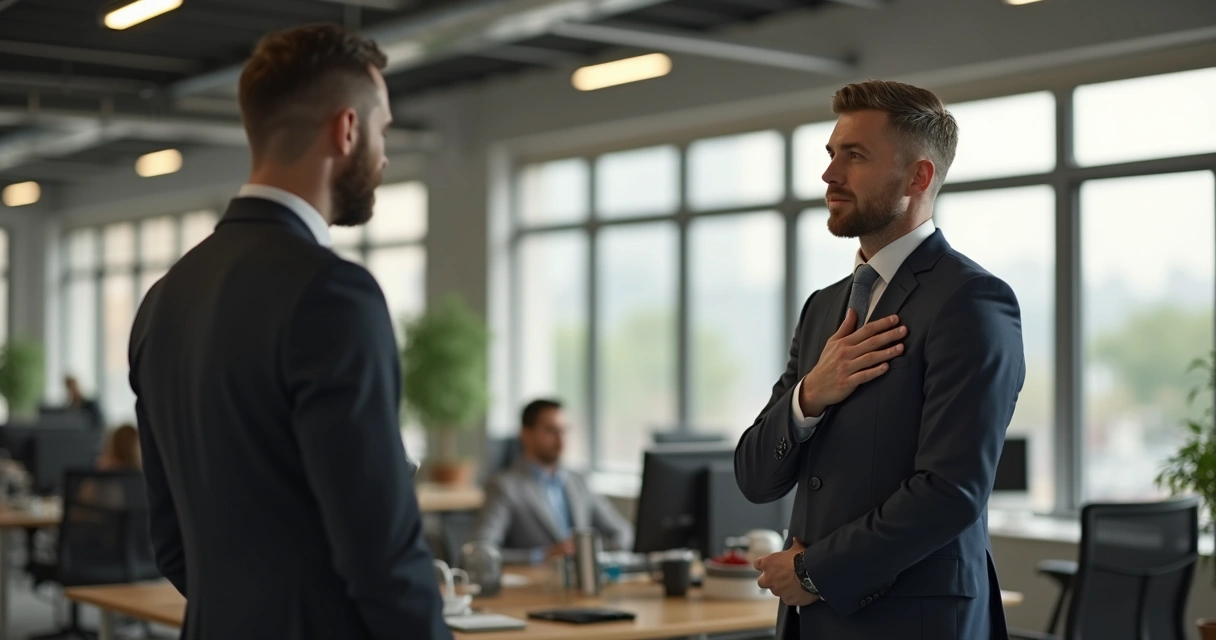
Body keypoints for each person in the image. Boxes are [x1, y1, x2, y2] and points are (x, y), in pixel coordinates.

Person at [128, 24, 448, 640]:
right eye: (382, 131)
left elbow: (172, 544)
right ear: (347, 129)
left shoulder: (164, 298)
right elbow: (380, 553)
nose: (384, 155)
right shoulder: (334, 295)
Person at [734, 80, 1024, 640]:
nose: (829, 175)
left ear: (918, 177)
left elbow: (951, 491)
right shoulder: (824, 307)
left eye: (855, 156)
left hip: (915, 622)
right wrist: (808, 397)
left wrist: (812, 572)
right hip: (812, 622)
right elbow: (755, 477)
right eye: (831, 154)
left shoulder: (970, 301)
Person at [471, 400, 633, 564]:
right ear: (526, 434)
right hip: (537, 584)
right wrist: (542, 555)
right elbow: (480, 552)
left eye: (564, 431)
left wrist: (585, 549)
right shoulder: (504, 486)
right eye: (551, 431)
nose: (561, 441)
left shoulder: (579, 481)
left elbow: (624, 533)